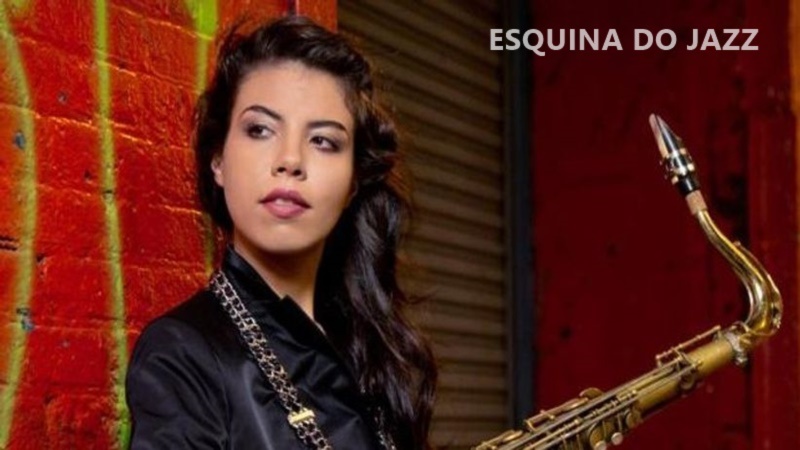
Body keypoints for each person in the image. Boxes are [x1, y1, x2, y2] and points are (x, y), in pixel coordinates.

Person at [125, 14, 438, 450]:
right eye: (260, 130)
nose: (290, 160)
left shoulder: (369, 343)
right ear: (218, 160)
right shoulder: (181, 354)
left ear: (353, 182)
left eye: (323, 141)